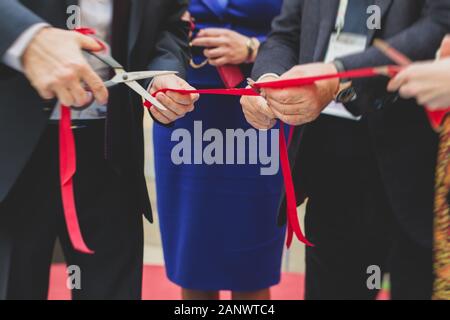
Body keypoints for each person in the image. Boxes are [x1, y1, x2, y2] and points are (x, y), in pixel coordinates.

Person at [241, 0, 450, 299]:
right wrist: (268, 82)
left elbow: (437, 27)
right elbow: (286, 34)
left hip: (417, 160)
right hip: (329, 155)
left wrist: (338, 74)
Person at [0, 0, 198, 300]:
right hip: (12, 147)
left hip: (112, 149)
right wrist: (26, 37)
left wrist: (162, 74)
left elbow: (170, 21)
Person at [153, 0, 284, 300]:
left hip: (259, 102)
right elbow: (148, 24)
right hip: (186, 102)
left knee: (253, 258)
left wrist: (255, 47)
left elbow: (304, 27)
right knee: (194, 256)